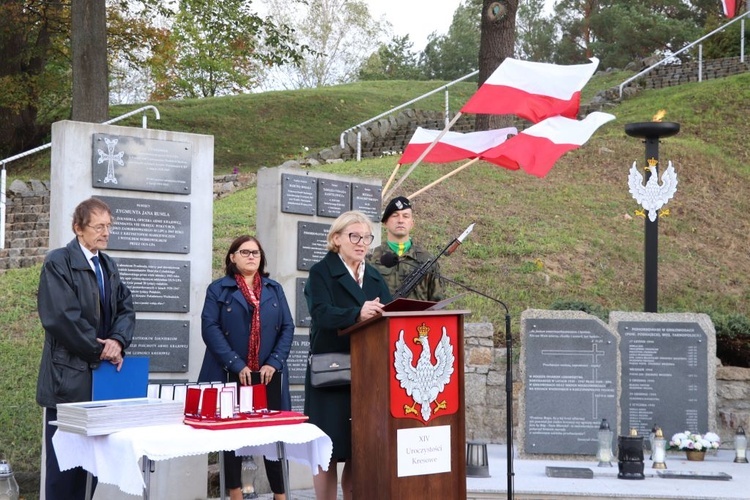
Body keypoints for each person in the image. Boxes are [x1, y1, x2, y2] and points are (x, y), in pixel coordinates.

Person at [36, 197, 136, 500]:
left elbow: (125, 309)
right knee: (64, 471)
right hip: (68, 383)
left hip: (100, 383)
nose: (105, 233)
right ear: (78, 228)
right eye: (98, 226)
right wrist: (100, 350)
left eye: (109, 226)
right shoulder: (58, 262)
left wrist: (118, 341)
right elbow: (60, 317)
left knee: (90, 468)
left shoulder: (107, 264)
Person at [304, 210, 392, 500]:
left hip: (368, 376)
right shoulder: (321, 272)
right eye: (354, 236)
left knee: (359, 449)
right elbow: (321, 313)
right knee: (328, 449)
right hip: (331, 373)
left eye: (366, 237)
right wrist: (357, 312)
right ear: (336, 239)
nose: (361, 243)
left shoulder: (376, 277)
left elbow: (389, 316)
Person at [198, 235, 294, 500]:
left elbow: (287, 327)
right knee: (232, 436)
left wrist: (274, 362)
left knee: (273, 434)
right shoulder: (219, 289)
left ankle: (280, 493)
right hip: (229, 373)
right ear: (232, 257)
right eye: (245, 252)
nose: (252, 256)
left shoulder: (274, 289)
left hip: (267, 376)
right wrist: (235, 363)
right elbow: (210, 328)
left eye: (256, 252)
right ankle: (235, 492)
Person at [367, 196, 444, 302]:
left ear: (412, 223)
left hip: (418, 318)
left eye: (405, 216)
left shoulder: (427, 260)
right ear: (385, 222)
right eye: (395, 216)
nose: (400, 220)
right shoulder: (370, 258)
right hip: (382, 318)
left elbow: (437, 302)